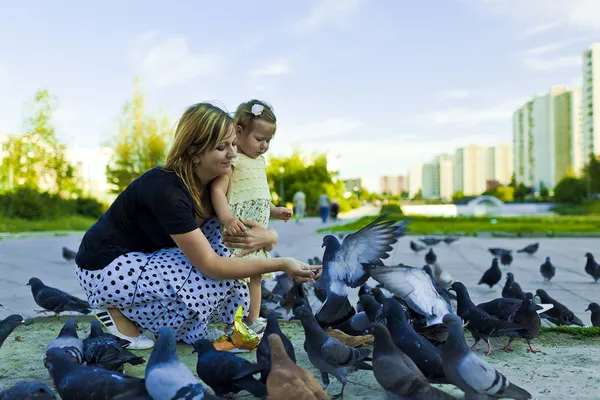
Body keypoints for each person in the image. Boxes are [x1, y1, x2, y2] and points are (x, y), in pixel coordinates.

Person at [74, 103, 319, 349]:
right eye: (221, 147)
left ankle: (172, 319)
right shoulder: (167, 190)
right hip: (106, 266)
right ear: (194, 152)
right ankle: (113, 309)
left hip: (151, 256)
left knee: (229, 252)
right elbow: (211, 266)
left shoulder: (216, 183)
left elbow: (248, 228)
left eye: (234, 144)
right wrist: (282, 263)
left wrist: (270, 236)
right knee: (209, 277)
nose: (233, 153)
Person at [210, 99, 292, 334]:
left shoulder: (260, 162)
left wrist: (275, 210)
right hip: (238, 230)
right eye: (259, 139)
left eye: (268, 141)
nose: (264, 145)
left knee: (255, 275)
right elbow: (218, 192)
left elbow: (258, 196)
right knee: (235, 279)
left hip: (256, 232)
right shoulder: (233, 160)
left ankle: (253, 318)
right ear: (239, 131)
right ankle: (232, 321)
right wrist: (227, 219)